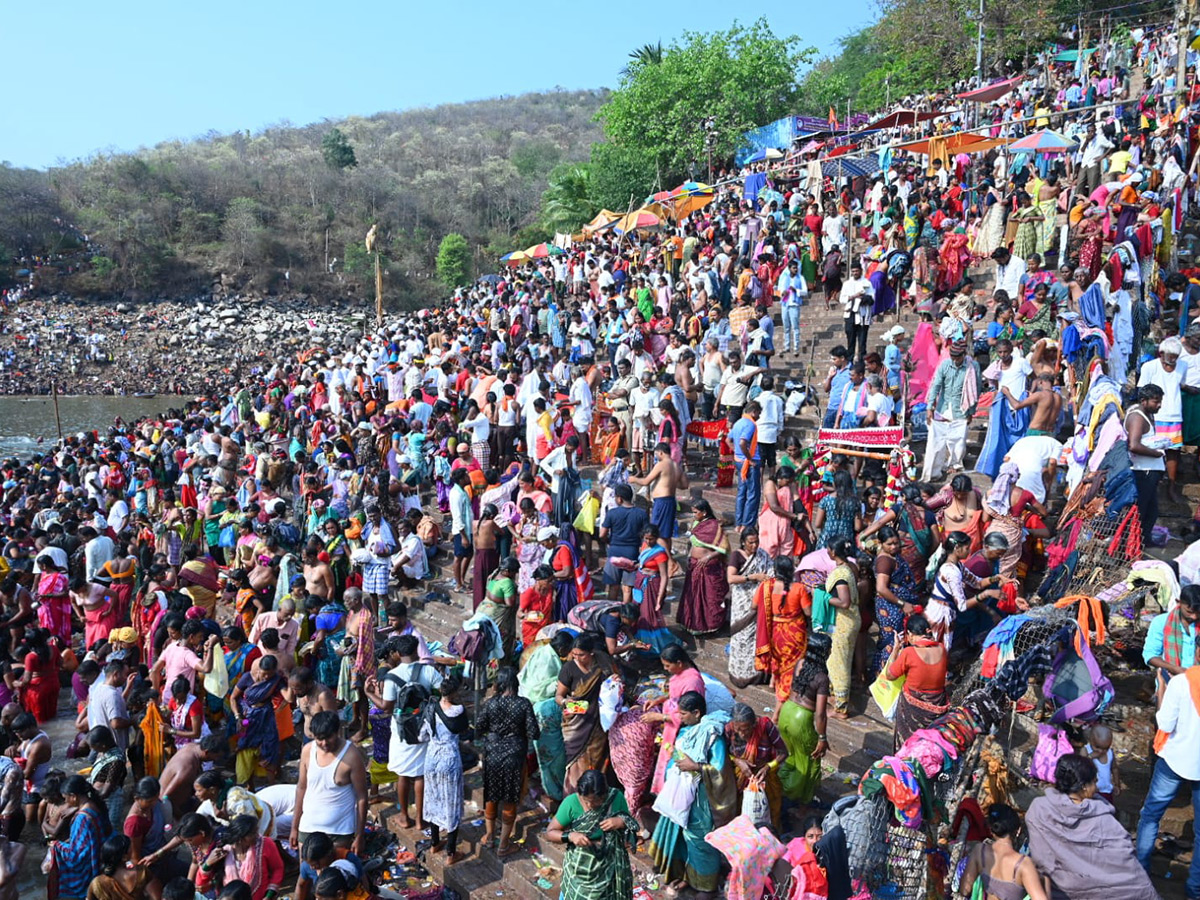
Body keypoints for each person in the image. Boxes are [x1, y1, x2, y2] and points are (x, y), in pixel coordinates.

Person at [1026, 754, 1157, 900]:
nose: (1097, 787)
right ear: (1083, 787)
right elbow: (1125, 863)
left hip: (1058, 889)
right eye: (1094, 782)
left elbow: (1040, 858)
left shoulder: (1038, 808)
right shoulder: (1103, 819)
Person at [646, 691, 736, 900]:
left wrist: (695, 766)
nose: (680, 717)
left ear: (697, 713)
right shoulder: (687, 732)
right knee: (683, 838)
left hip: (702, 799)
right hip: (680, 795)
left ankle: (706, 885)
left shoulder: (713, 737)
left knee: (700, 840)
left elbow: (720, 770)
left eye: (684, 714)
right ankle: (687, 875)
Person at [1136, 661, 1200, 894]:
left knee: (1151, 815)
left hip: (1174, 760)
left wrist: (1162, 686)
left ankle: (1141, 875)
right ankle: (1195, 889)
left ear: (1198, 652)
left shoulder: (1181, 683)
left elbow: (1164, 723)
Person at [367, 634, 441, 828]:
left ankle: (404, 816)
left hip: (401, 731)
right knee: (420, 775)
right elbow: (444, 692)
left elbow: (386, 707)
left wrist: (368, 692)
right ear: (417, 650)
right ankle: (420, 819)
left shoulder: (393, 676)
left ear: (398, 654)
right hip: (423, 729)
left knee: (404, 775)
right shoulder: (429, 672)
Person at [545, 768, 639, 900]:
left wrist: (620, 821)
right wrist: (571, 836)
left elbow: (630, 824)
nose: (590, 805)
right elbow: (550, 832)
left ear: (605, 795)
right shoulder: (571, 803)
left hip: (609, 866)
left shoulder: (616, 798)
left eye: (595, 801)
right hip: (580, 867)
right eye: (586, 800)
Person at [476, 666, 538, 856]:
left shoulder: (490, 703)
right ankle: (503, 845)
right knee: (510, 800)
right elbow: (534, 732)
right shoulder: (524, 704)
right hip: (514, 757)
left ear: (499, 684)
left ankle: (489, 836)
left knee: (492, 796)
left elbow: (478, 728)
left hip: (492, 756)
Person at [292, 710, 368, 857]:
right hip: (308, 827)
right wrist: (294, 827)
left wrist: (359, 836)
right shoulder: (307, 751)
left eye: (329, 737)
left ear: (337, 731)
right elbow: (301, 788)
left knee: (333, 876)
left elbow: (362, 797)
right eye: (319, 739)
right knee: (307, 873)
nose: (324, 743)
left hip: (339, 831)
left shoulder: (351, 756)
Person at [555, 634, 617, 798]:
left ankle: (594, 797)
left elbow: (613, 681)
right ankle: (574, 799)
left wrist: (615, 682)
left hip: (598, 721)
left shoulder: (602, 662)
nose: (577, 658)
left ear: (591, 653)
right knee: (575, 763)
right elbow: (559, 696)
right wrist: (567, 704)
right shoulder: (568, 668)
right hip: (576, 724)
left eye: (581, 655)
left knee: (596, 761)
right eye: (574, 654)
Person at [753, 557, 810, 719]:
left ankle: (774, 684)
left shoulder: (766, 587)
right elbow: (808, 613)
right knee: (790, 671)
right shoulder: (799, 588)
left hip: (775, 633)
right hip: (795, 636)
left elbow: (754, 606)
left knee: (780, 665)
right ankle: (778, 711)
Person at [423, 671, 468, 864]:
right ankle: (451, 852)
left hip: (431, 756)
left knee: (433, 798)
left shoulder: (430, 708)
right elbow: (465, 731)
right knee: (452, 802)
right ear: (455, 692)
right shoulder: (458, 711)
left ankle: (434, 843)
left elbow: (422, 735)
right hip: (449, 758)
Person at [885, 614, 949, 750]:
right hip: (936, 707)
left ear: (910, 634)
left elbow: (889, 675)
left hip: (912, 709)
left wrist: (896, 648)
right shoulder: (941, 649)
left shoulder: (909, 652)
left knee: (907, 746)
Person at [960, 804, 1049, 900]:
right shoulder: (1023, 864)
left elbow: (965, 890)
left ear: (991, 829)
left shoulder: (979, 851)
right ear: (1018, 831)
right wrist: (1046, 878)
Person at [725, 702, 788, 831]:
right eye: (738, 730)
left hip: (764, 779)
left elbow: (783, 753)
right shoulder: (729, 729)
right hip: (739, 779)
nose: (742, 734)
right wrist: (738, 761)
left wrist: (768, 767)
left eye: (746, 729)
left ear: (754, 724)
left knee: (770, 811)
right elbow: (723, 754)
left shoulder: (765, 726)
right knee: (741, 813)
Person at [922, 342, 981, 481]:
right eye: (953, 356)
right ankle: (936, 469)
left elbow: (976, 388)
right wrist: (929, 407)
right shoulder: (944, 365)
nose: (955, 360)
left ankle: (955, 464)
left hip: (962, 408)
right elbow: (936, 385)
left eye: (958, 357)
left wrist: (971, 412)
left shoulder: (972, 367)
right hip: (943, 407)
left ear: (964, 355)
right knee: (937, 441)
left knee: (959, 440)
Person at [726, 528, 773, 688]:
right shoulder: (736, 556)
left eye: (756, 541)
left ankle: (756, 673)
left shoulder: (762, 555)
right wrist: (752, 577)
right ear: (743, 542)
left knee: (757, 637)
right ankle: (740, 674)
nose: (754, 545)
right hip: (742, 602)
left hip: (759, 599)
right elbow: (731, 578)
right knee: (742, 637)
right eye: (751, 542)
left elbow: (771, 571)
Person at [53, 775, 112, 900]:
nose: (65, 802)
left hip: (91, 868)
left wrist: (57, 846)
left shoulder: (82, 818)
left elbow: (77, 855)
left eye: (65, 798)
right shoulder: (93, 805)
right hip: (101, 857)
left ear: (73, 796)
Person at [677, 500, 728, 635]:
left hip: (708, 568)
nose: (693, 515)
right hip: (694, 565)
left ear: (704, 512)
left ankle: (709, 625)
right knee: (693, 596)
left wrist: (708, 557)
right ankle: (692, 624)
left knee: (708, 597)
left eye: (695, 512)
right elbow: (693, 545)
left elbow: (724, 548)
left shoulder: (714, 526)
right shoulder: (696, 524)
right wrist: (689, 557)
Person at [824, 539, 860, 718]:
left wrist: (824, 597)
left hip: (844, 621)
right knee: (839, 659)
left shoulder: (840, 574)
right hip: (852, 619)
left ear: (832, 552)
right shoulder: (850, 567)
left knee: (840, 664)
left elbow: (844, 602)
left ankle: (841, 707)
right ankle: (835, 695)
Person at [1126, 384, 1168, 535]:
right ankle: (1130, 547)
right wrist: (1156, 454)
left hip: (1150, 470)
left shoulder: (1147, 414)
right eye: (1156, 401)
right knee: (1141, 511)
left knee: (1151, 512)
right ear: (1144, 401)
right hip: (1143, 471)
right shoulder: (1137, 417)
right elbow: (1134, 445)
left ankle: (1141, 543)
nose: (1159, 405)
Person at [86, 834, 160, 900]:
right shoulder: (141, 872)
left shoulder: (97, 883)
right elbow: (156, 896)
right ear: (124, 857)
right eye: (131, 849)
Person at [730, 401, 763, 531]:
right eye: (758, 413)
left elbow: (728, 439)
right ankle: (747, 525)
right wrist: (749, 458)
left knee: (741, 493)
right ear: (753, 411)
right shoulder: (750, 425)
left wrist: (736, 452)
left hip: (739, 461)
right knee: (753, 493)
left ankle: (738, 524)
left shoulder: (738, 422)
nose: (759, 416)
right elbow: (743, 443)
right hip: (749, 462)